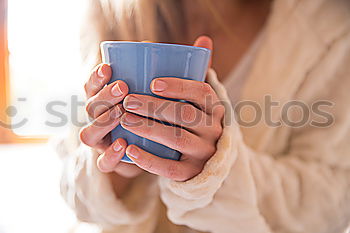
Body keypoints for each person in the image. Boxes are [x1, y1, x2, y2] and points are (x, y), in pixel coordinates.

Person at [57, 0, 350, 232]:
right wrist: (117, 166)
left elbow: (333, 201)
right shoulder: (110, 10)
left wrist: (217, 172)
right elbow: (70, 179)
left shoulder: (329, 24)